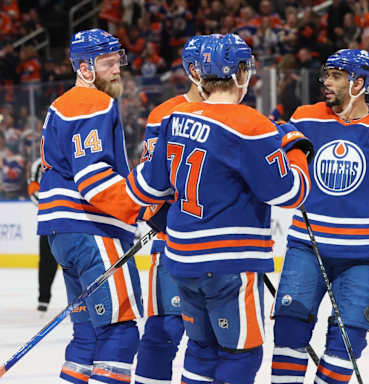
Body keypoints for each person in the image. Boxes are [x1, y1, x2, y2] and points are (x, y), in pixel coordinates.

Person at [128, 33, 313, 384]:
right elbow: (291, 193)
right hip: (229, 263)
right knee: (241, 353)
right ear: (241, 72)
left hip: (181, 260)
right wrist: (295, 149)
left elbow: (145, 187)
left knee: (201, 350)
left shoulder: (174, 118)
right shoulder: (251, 124)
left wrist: (163, 207)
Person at [271, 49, 369, 384]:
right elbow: (282, 166)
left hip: (362, 256)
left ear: (359, 83)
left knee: (348, 343)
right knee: (288, 331)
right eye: (326, 74)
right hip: (307, 247)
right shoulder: (306, 117)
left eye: (335, 76)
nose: (325, 82)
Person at [36, 29, 160, 384]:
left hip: (63, 233)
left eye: (117, 61)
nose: (117, 70)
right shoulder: (95, 103)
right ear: (85, 68)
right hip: (92, 229)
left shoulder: (60, 104)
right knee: (119, 332)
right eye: (107, 63)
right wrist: (142, 209)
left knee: (88, 335)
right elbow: (93, 179)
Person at [134, 34, 210, 384]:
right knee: (164, 329)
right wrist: (155, 210)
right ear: (193, 69)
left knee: (212, 339)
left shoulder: (237, 114)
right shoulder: (164, 114)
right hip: (174, 244)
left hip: (219, 247)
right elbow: (151, 178)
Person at [27, 157, 58, 313]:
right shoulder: (39, 164)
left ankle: (82, 301)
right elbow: (33, 189)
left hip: (73, 217)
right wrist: (54, 203)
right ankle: (43, 299)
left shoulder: (71, 154)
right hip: (49, 218)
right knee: (47, 261)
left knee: (76, 260)